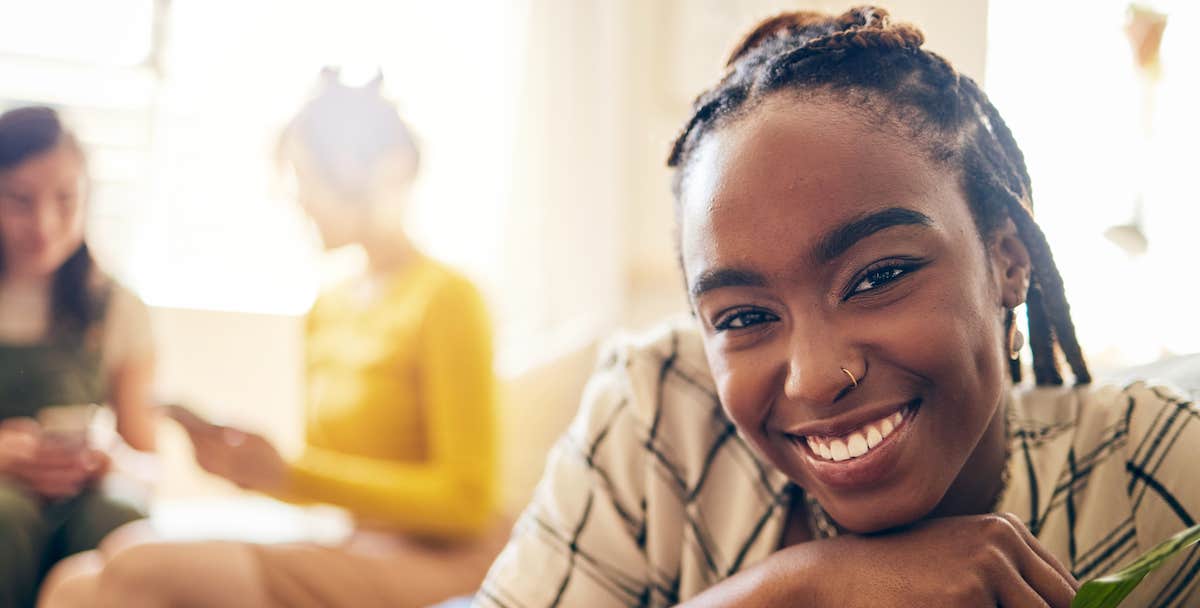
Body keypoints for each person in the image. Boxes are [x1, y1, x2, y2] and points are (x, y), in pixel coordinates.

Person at [476, 8, 1199, 607]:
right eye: (744, 316)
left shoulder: (1148, 471)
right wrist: (801, 587)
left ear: (1008, 262)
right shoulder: (654, 411)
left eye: (878, 275)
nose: (816, 378)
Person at [41, 70, 504, 608]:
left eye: (305, 178)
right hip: (354, 543)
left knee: (137, 564)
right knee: (73, 583)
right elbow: (330, 478)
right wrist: (251, 470)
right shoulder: (327, 307)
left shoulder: (448, 298)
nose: (297, 200)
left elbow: (469, 500)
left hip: (441, 561)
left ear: (362, 174)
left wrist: (288, 473)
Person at [0, 106, 158, 608]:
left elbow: (149, 463)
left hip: (79, 505)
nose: (44, 225)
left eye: (65, 200)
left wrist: (110, 458)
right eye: (19, 200)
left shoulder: (116, 308)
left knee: (117, 516)